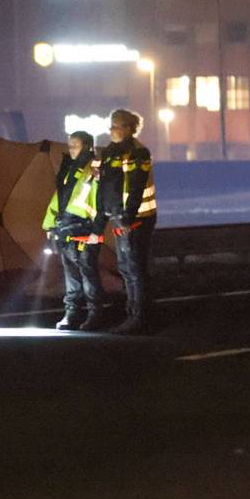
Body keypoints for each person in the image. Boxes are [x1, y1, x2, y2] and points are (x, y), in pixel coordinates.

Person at [43, 130, 112, 331]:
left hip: (86, 227)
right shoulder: (70, 169)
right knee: (71, 274)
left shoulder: (94, 169)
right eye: (70, 145)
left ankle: (95, 313)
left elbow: (101, 202)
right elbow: (61, 198)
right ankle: (72, 313)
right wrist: (50, 223)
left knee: (87, 272)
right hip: (66, 227)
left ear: (87, 146)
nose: (71, 149)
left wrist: (97, 230)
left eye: (75, 145)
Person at [98, 109, 158, 334]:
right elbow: (107, 184)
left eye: (115, 126)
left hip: (136, 219)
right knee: (126, 268)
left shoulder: (137, 152)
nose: (110, 130)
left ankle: (140, 317)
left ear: (128, 128)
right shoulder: (112, 151)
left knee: (135, 269)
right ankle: (133, 315)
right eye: (111, 125)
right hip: (120, 217)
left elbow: (136, 186)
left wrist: (126, 216)